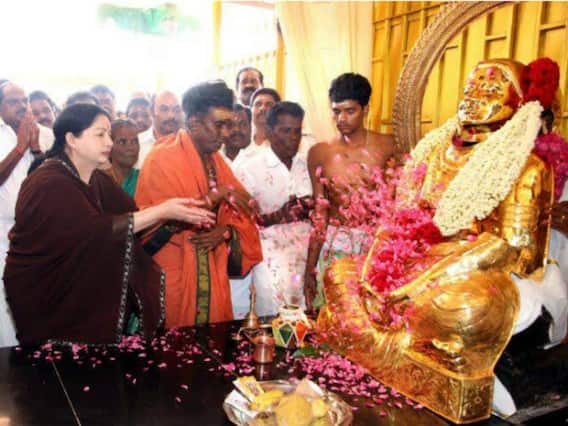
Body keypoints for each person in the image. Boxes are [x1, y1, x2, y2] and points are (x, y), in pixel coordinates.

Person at [317, 58, 568, 421]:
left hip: (469, 275)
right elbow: (399, 222)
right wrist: (373, 272)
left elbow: (506, 248)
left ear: (518, 103)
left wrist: (417, 286)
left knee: (466, 308)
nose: (475, 96)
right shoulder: (434, 153)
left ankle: (371, 339)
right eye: (471, 88)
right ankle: (395, 345)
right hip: (413, 263)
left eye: (491, 89)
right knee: (340, 273)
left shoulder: (525, 165)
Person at [4, 103, 215, 345]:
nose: (109, 143)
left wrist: (171, 214)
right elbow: (95, 230)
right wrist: (162, 211)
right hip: (44, 292)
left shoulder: (96, 179)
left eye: (108, 135)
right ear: (71, 139)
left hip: (79, 294)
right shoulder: (48, 180)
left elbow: (131, 216)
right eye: (100, 135)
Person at [136, 80, 262, 327]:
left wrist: (225, 232)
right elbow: (157, 225)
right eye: (219, 125)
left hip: (211, 266)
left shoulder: (215, 160)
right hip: (173, 269)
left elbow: (246, 209)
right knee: (175, 343)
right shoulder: (161, 158)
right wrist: (218, 195)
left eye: (228, 124)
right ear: (194, 123)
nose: (226, 133)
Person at [304, 73, 394, 310]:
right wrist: (309, 269)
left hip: (375, 250)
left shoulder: (389, 146)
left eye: (350, 111)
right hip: (335, 248)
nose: (341, 119)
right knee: (333, 318)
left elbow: (397, 207)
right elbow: (320, 214)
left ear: (365, 109)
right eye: (336, 111)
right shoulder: (319, 153)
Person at [236, 102, 312, 315]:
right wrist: (279, 215)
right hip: (270, 260)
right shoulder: (250, 168)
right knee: (274, 320)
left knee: (308, 321)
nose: (293, 137)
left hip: (307, 259)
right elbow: (239, 220)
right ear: (269, 131)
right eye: (286, 131)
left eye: (297, 131)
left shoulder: (307, 164)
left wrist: (309, 208)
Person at [0, 82, 54, 348]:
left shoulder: (44, 133)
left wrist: (34, 148)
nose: (22, 106)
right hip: (3, 237)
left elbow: (52, 176)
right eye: (14, 102)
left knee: (40, 305)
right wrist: (20, 147)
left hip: (41, 234)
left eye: (24, 100)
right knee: (7, 313)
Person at [137, 90, 183, 167]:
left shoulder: (188, 144)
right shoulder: (138, 144)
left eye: (176, 110)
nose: (171, 115)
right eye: (164, 109)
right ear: (152, 112)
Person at [107, 119, 140, 197]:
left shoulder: (144, 178)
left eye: (135, 141)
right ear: (109, 146)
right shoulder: (98, 180)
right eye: (122, 142)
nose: (130, 148)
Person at [219, 104, 251, 171]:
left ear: (251, 128)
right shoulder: (215, 157)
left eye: (242, 124)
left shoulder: (263, 157)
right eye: (230, 125)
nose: (237, 129)